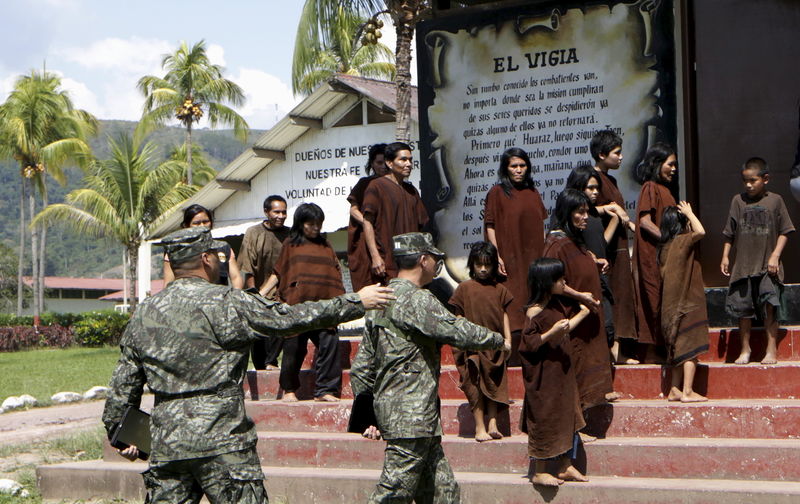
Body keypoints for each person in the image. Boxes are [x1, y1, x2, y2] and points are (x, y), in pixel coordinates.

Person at [102, 226, 393, 503]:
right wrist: (356, 301)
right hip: (223, 442)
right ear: (205, 259)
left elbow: (121, 389)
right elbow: (291, 318)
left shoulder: (144, 314)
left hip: (168, 444)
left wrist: (122, 435)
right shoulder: (229, 301)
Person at [350, 232, 508, 503]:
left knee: (442, 492)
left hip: (412, 417)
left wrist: (368, 414)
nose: (437, 265)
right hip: (411, 418)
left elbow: (363, 364)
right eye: (435, 259)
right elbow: (455, 329)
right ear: (423, 260)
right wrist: (497, 340)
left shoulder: (380, 300)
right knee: (393, 494)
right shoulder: (418, 299)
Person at [262, 203, 345, 402]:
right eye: (311, 224)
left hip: (324, 307)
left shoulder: (326, 245)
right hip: (297, 306)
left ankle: (325, 390)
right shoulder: (291, 244)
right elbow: (279, 272)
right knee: (294, 347)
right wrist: (262, 293)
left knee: (330, 343)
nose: (316, 228)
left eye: (319, 223)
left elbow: (335, 271)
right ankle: (289, 390)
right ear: (300, 224)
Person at [543, 189, 616, 413]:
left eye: (587, 212)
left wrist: (595, 262)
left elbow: (578, 265)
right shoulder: (555, 244)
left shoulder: (576, 241)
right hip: (572, 319)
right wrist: (580, 296)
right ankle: (576, 425)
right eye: (580, 212)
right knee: (574, 370)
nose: (586, 217)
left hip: (589, 320)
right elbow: (553, 282)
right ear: (567, 213)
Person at [519, 257, 590, 487]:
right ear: (545, 282)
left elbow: (565, 330)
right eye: (559, 279)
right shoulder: (534, 312)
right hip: (545, 379)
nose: (564, 282)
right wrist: (550, 332)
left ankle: (566, 465)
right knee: (546, 419)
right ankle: (539, 470)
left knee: (567, 416)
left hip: (562, 375)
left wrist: (582, 312)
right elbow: (529, 345)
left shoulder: (557, 305)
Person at [720, 157, 795, 364]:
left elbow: (785, 231)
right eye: (745, 181)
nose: (748, 185)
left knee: (770, 305)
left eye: (753, 180)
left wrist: (775, 255)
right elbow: (729, 232)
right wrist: (726, 255)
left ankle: (771, 350)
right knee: (743, 310)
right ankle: (745, 349)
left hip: (767, 266)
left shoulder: (775, 201)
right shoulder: (738, 201)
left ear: (766, 179)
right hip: (743, 265)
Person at [483, 147, 548, 364]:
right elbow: (490, 225)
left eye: (522, 165)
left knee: (534, 298)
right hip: (508, 258)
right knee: (513, 300)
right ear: (506, 168)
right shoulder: (497, 192)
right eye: (514, 166)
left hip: (533, 257)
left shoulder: (533, 192)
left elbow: (542, 224)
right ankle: (513, 355)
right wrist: (496, 255)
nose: (519, 170)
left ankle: (535, 347)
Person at [448, 241, 513, 442]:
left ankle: (493, 422)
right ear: (472, 265)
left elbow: (503, 315)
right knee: (474, 384)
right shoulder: (464, 288)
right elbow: (458, 316)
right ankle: (479, 427)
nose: (483, 269)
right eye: (478, 264)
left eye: (487, 265)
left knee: (494, 381)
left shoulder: (499, 289)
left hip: (494, 344)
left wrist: (508, 339)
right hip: (471, 346)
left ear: (494, 265)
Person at [590, 130, 639, 363]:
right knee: (609, 296)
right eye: (616, 153)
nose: (621, 157)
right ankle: (611, 349)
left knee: (621, 295)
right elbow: (585, 210)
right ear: (601, 154)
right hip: (603, 248)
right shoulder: (592, 179)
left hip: (619, 246)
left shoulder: (612, 179)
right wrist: (610, 209)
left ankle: (620, 348)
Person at [565, 166, 620, 355]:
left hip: (601, 280)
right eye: (590, 188)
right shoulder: (573, 219)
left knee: (608, 328)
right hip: (584, 283)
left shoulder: (592, 216)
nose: (595, 192)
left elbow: (601, 243)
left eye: (597, 188)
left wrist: (614, 221)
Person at [658, 203, 709, 402]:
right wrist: (689, 213)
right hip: (687, 305)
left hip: (670, 310)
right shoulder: (682, 241)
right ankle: (687, 390)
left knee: (678, 350)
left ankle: (674, 389)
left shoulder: (663, 248)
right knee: (690, 348)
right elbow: (701, 232)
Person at [362, 141, 429, 285]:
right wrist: (375, 257)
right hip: (387, 262)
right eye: (403, 159)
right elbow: (367, 222)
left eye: (410, 160)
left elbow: (422, 227)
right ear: (389, 163)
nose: (409, 164)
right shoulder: (376, 186)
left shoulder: (412, 191)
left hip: (411, 264)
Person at [632, 143, 678, 351]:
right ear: (657, 164)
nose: (674, 169)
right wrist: (666, 238)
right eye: (670, 164)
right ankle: (652, 351)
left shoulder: (666, 191)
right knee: (654, 299)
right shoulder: (649, 187)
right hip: (652, 255)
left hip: (666, 256)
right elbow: (645, 221)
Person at [238, 195, 290, 370]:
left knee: (281, 326)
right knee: (259, 333)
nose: (281, 216)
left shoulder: (290, 235)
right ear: (266, 212)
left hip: (283, 293)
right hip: (259, 291)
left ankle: (271, 361)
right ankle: (261, 366)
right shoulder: (253, 233)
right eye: (276, 212)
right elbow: (247, 265)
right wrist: (255, 295)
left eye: (284, 212)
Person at [163, 204, 243, 289]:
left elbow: (236, 278)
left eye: (205, 222)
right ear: (186, 226)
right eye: (196, 223)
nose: (202, 226)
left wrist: (235, 297)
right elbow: (168, 283)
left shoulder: (223, 247)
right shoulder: (176, 250)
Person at [347, 143, 389, 291]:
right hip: (366, 242)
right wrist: (368, 223)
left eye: (386, 162)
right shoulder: (365, 183)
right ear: (372, 164)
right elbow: (353, 210)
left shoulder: (397, 185)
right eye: (379, 163)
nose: (383, 166)